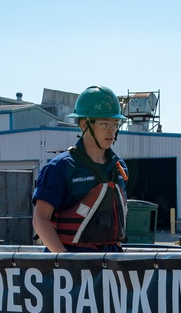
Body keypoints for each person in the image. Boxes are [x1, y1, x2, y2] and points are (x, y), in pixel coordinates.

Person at [32, 85, 129, 252]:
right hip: (72, 262)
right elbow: (40, 218)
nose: (112, 130)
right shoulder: (60, 168)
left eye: (115, 123)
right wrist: (65, 262)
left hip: (109, 264)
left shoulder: (119, 168)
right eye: (104, 124)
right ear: (84, 124)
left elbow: (117, 218)